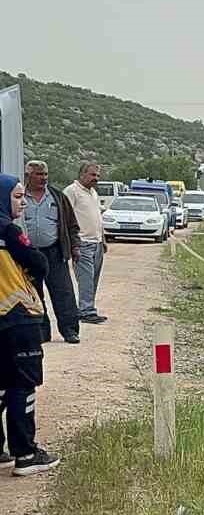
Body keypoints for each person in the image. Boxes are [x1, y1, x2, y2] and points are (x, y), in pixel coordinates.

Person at [0, 174, 61, 475]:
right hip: (17, 317)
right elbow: (39, 264)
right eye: (16, 197)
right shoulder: (9, 230)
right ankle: (25, 454)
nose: (22, 202)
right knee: (22, 385)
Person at [20, 161, 80, 344]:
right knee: (34, 293)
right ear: (28, 175)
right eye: (39, 174)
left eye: (45, 174)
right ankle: (41, 332)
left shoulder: (58, 197)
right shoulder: (19, 196)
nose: (43, 178)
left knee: (63, 293)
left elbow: (72, 225)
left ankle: (70, 331)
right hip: (29, 254)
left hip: (55, 252)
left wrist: (75, 246)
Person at [62, 163, 109, 326]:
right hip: (82, 243)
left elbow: (97, 218)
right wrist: (72, 243)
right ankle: (86, 311)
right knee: (86, 278)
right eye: (92, 175)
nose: (96, 178)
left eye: (97, 175)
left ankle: (88, 308)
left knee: (93, 278)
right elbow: (65, 217)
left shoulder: (93, 193)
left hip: (96, 243)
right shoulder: (71, 191)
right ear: (82, 174)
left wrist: (103, 239)